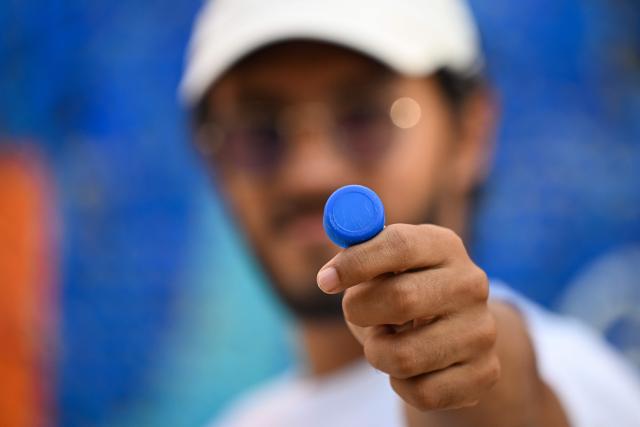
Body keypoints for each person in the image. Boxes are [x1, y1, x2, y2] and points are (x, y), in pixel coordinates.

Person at [179, 0, 640, 425]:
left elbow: (503, 398)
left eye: (363, 116)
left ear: (470, 132)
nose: (310, 173)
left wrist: (483, 380)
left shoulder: (573, 373)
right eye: (256, 131)